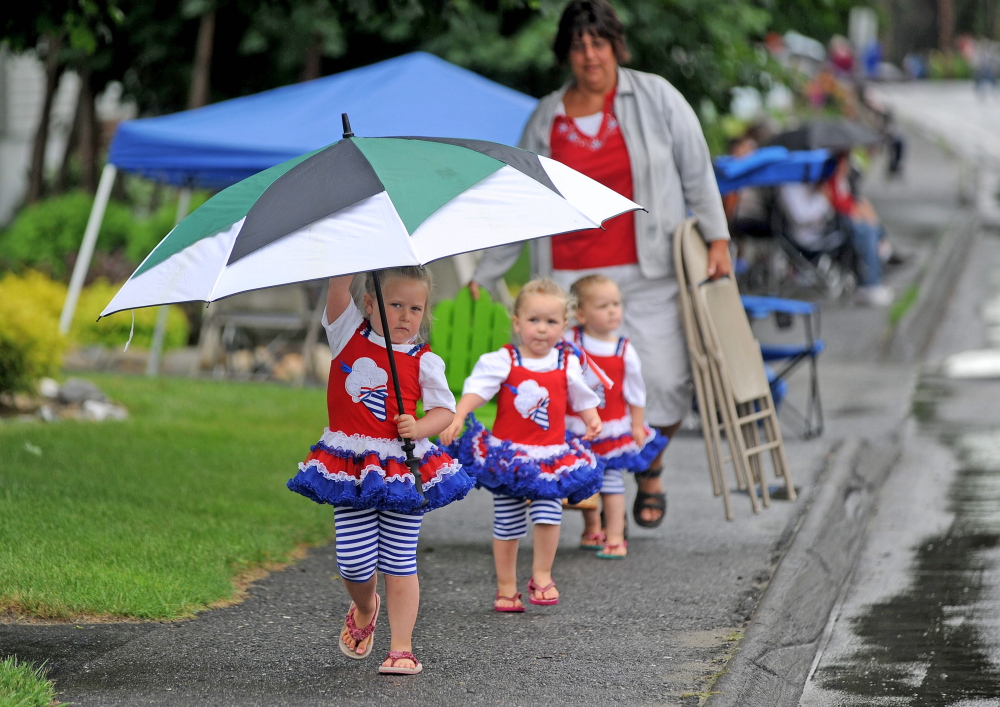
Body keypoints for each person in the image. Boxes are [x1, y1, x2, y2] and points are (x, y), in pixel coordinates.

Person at [469, 0, 732, 530]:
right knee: (576, 391)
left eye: (599, 42)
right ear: (566, 52)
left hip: (647, 266)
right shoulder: (546, 116)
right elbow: (520, 197)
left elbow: (695, 167)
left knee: (666, 379)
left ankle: (649, 465)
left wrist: (716, 235)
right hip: (568, 280)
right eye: (578, 44)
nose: (590, 54)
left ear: (616, 45)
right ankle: (593, 501)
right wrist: (486, 271)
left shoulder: (655, 96)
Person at [286, 267, 475, 676]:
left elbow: (444, 411)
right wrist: (356, 251)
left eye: (415, 308)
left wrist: (420, 427)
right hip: (352, 467)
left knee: (400, 559)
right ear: (369, 304)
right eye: (394, 305)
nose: (406, 316)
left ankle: (401, 647)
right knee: (354, 563)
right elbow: (337, 286)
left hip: (403, 466)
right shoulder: (346, 335)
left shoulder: (425, 361)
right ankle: (365, 604)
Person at [439, 279, 603, 611]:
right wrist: (459, 414)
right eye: (533, 320)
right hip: (509, 455)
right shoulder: (504, 359)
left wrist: (591, 417)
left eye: (551, 322)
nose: (542, 329)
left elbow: (581, 394)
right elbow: (478, 389)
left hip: (550, 454)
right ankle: (506, 586)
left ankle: (542, 574)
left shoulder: (565, 361)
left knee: (548, 513)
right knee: (508, 520)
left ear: (564, 326)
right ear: (517, 323)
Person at [566, 274, 668, 559]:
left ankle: (615, 535)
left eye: (616, 304)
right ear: (580, 314)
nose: (613, 310)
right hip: (576, 425)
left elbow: (635, 393)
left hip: (611, 428)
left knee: (611, 482)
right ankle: (592, 528)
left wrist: (636, 424)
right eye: (603, 306)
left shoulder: (623, 349)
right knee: (583, 481)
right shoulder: (570, 342)